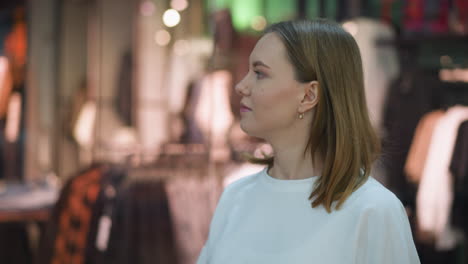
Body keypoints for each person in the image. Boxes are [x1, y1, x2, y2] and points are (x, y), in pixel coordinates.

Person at [196, 19, 420, 264]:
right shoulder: (235, 197)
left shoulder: (374, 211)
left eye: (260, 73)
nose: (241, 86)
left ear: (309, 95)